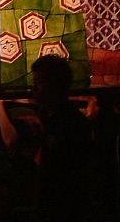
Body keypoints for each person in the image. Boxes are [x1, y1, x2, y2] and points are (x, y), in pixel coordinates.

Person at [30, 55, 92, 222]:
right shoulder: (45, 117)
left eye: (39, 82)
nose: (33, 88)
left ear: (55, 85)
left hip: (64, 204)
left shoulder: (72, 122)